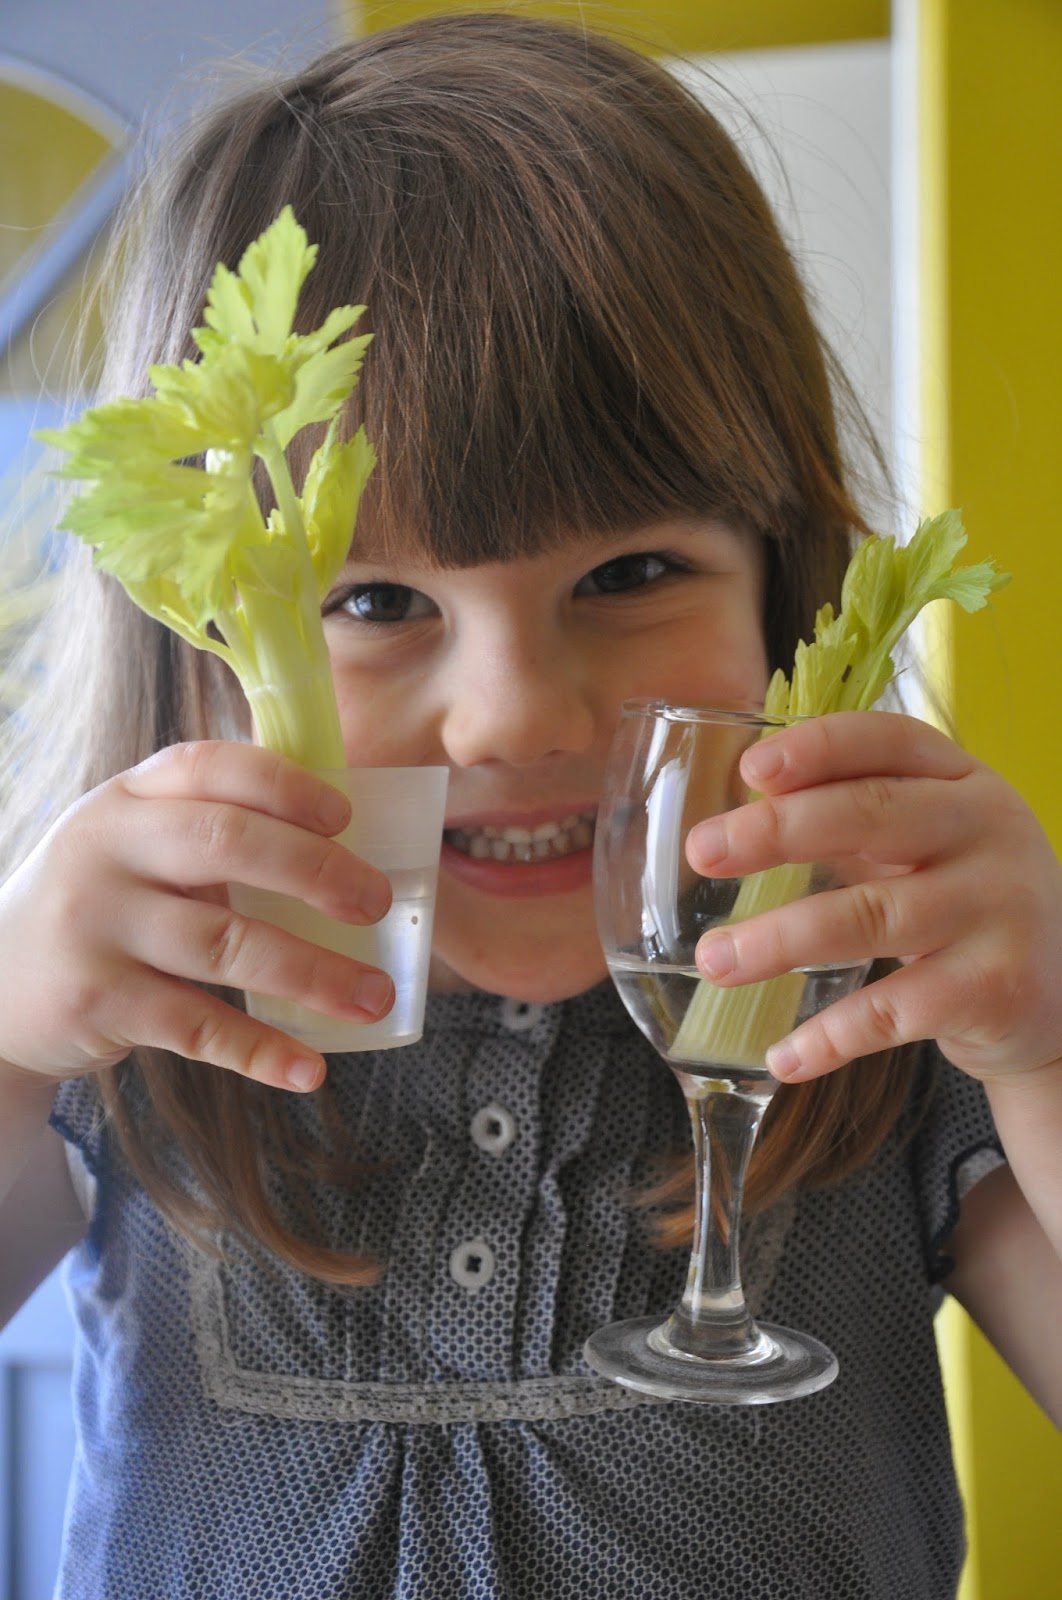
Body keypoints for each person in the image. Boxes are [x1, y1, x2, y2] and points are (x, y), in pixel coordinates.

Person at [1, 12, 1060, 1598]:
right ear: (190, 639)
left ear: (784, 584)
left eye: (629, 574)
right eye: (365, 601)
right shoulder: (133, 1024)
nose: (514, 714)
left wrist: (1042, 1054)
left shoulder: (884, 1024)